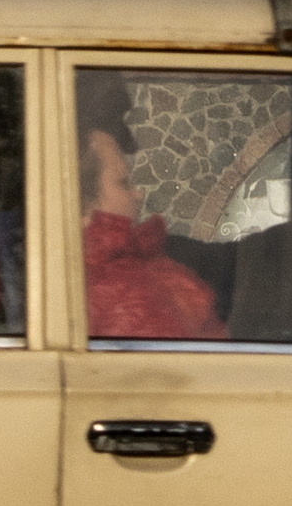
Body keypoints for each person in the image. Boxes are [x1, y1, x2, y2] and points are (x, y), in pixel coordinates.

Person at [76, 111, 229, 341]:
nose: (138, 194)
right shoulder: (125, 296)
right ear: (83, 209)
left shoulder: (137, 262)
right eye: (123, 183)